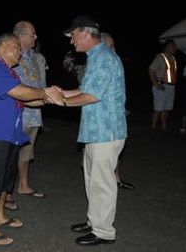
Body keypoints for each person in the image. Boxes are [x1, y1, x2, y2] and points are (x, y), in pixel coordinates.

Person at [47, 15, 127, 246]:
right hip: (96, 131)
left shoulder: (104, 58)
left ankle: (104, 232)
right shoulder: (97, 57)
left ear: (84, 32)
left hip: (106, 131)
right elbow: (84, 89)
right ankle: (94, 222)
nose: (72, 41)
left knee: (102, 183)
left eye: (73, 36)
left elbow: (92, 96)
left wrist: (61, 101)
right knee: (93, 180)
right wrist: (60, 92)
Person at [0, 33, 53, 246]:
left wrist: (52, 98)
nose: (20, 51)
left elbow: (28, 99)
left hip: (11, 134)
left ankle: (0, 216)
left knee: (4, 179)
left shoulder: (8, 72)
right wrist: (44, 93)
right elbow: (21, 92)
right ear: (2, 46)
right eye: (16, 47)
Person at [4, 21, 46, 211]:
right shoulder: (10, 56)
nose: (35, 37)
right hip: (15, 112)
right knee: (10, 153)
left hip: (35, 112)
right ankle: (7, 193)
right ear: (20, 36)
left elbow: (43, 86)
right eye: (32, 34)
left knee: (27, 152)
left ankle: (23, 185)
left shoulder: (40, 59)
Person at [100, 32, 134, 190]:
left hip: (114, 116)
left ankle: (116, 176)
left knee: (114, 153)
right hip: (101, 121)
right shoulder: (97, 64)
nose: (114, 50)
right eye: (111, 46)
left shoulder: (113, 62)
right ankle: (110, 179)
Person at [149, 40, 178, 131]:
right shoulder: (160, 58)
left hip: (171, 86)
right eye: (173, 46)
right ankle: (153, 127)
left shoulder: (173, 59)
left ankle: (164, 127)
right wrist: (156, 84)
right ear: (168, 47)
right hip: (161, 86)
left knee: (166, 108)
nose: (175, 48)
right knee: (158, 108)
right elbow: (151, 70)